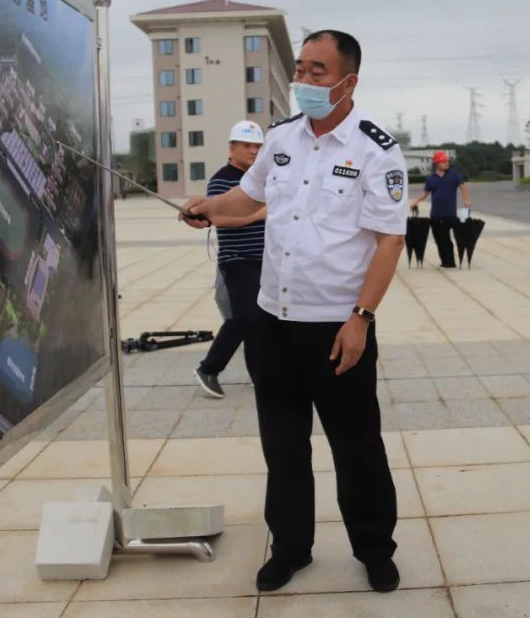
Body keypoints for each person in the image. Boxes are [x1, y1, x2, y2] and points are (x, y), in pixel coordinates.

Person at [181, 30, 407, 593]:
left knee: (357, 446)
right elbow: (250, 197)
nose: (303, 81)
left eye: (317, 72)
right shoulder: (281, 138)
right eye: (300, 70)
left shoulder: (376, 150)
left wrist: (361, 318)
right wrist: (209, 205)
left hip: (337, 327)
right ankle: (290, 548)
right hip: (272, 322)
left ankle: (375, 547)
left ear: (349, 81)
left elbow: (389, 242)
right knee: (282, 446)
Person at [189, 120, 267, 398]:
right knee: (245, 318)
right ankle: (208, 368)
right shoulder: (222, 179)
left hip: (264, 260)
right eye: (247, 145)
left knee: (259, 322)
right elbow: (220, 218)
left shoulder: (260, 178)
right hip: (237, 260)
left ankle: (261, 377)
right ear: (232, 147)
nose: (254, 151)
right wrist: (261, 213)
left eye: (258, 146)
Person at [409, 151, 471, 268]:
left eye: (447, 161)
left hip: (451, 214)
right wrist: (416, 200)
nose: (447, 163)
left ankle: (456, 260)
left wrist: (466, 200)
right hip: (436, 215)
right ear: (437, 163)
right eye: (444, 161)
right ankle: (446, 262)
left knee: (454, 237)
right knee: (440, 240)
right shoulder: (431, 179)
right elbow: (425, 193)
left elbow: (463, 187)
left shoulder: (454, 175)